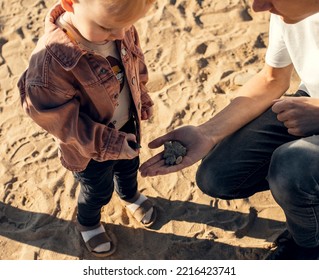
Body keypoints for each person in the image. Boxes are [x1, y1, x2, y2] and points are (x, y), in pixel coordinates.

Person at [140, 0, 319, 260]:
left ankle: (309, 246)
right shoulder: (286, 10)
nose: (258, 7)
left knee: (291, 166)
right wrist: (207, 133)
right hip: (308, 101)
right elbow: (272, 79)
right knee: (216, 176)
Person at [18, 0, 157, 257]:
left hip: (127, 126)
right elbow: (61, 122)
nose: (119, 34)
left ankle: (129, 195)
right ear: (71, 3)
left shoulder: (118, 25)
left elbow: (135, 65)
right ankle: (89, 222)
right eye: (106, 27)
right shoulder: (51, 62)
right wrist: (107, 143)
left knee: (129, 169)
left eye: (125, 25)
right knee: (97, 190)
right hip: (88, 147)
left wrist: (143, 97)